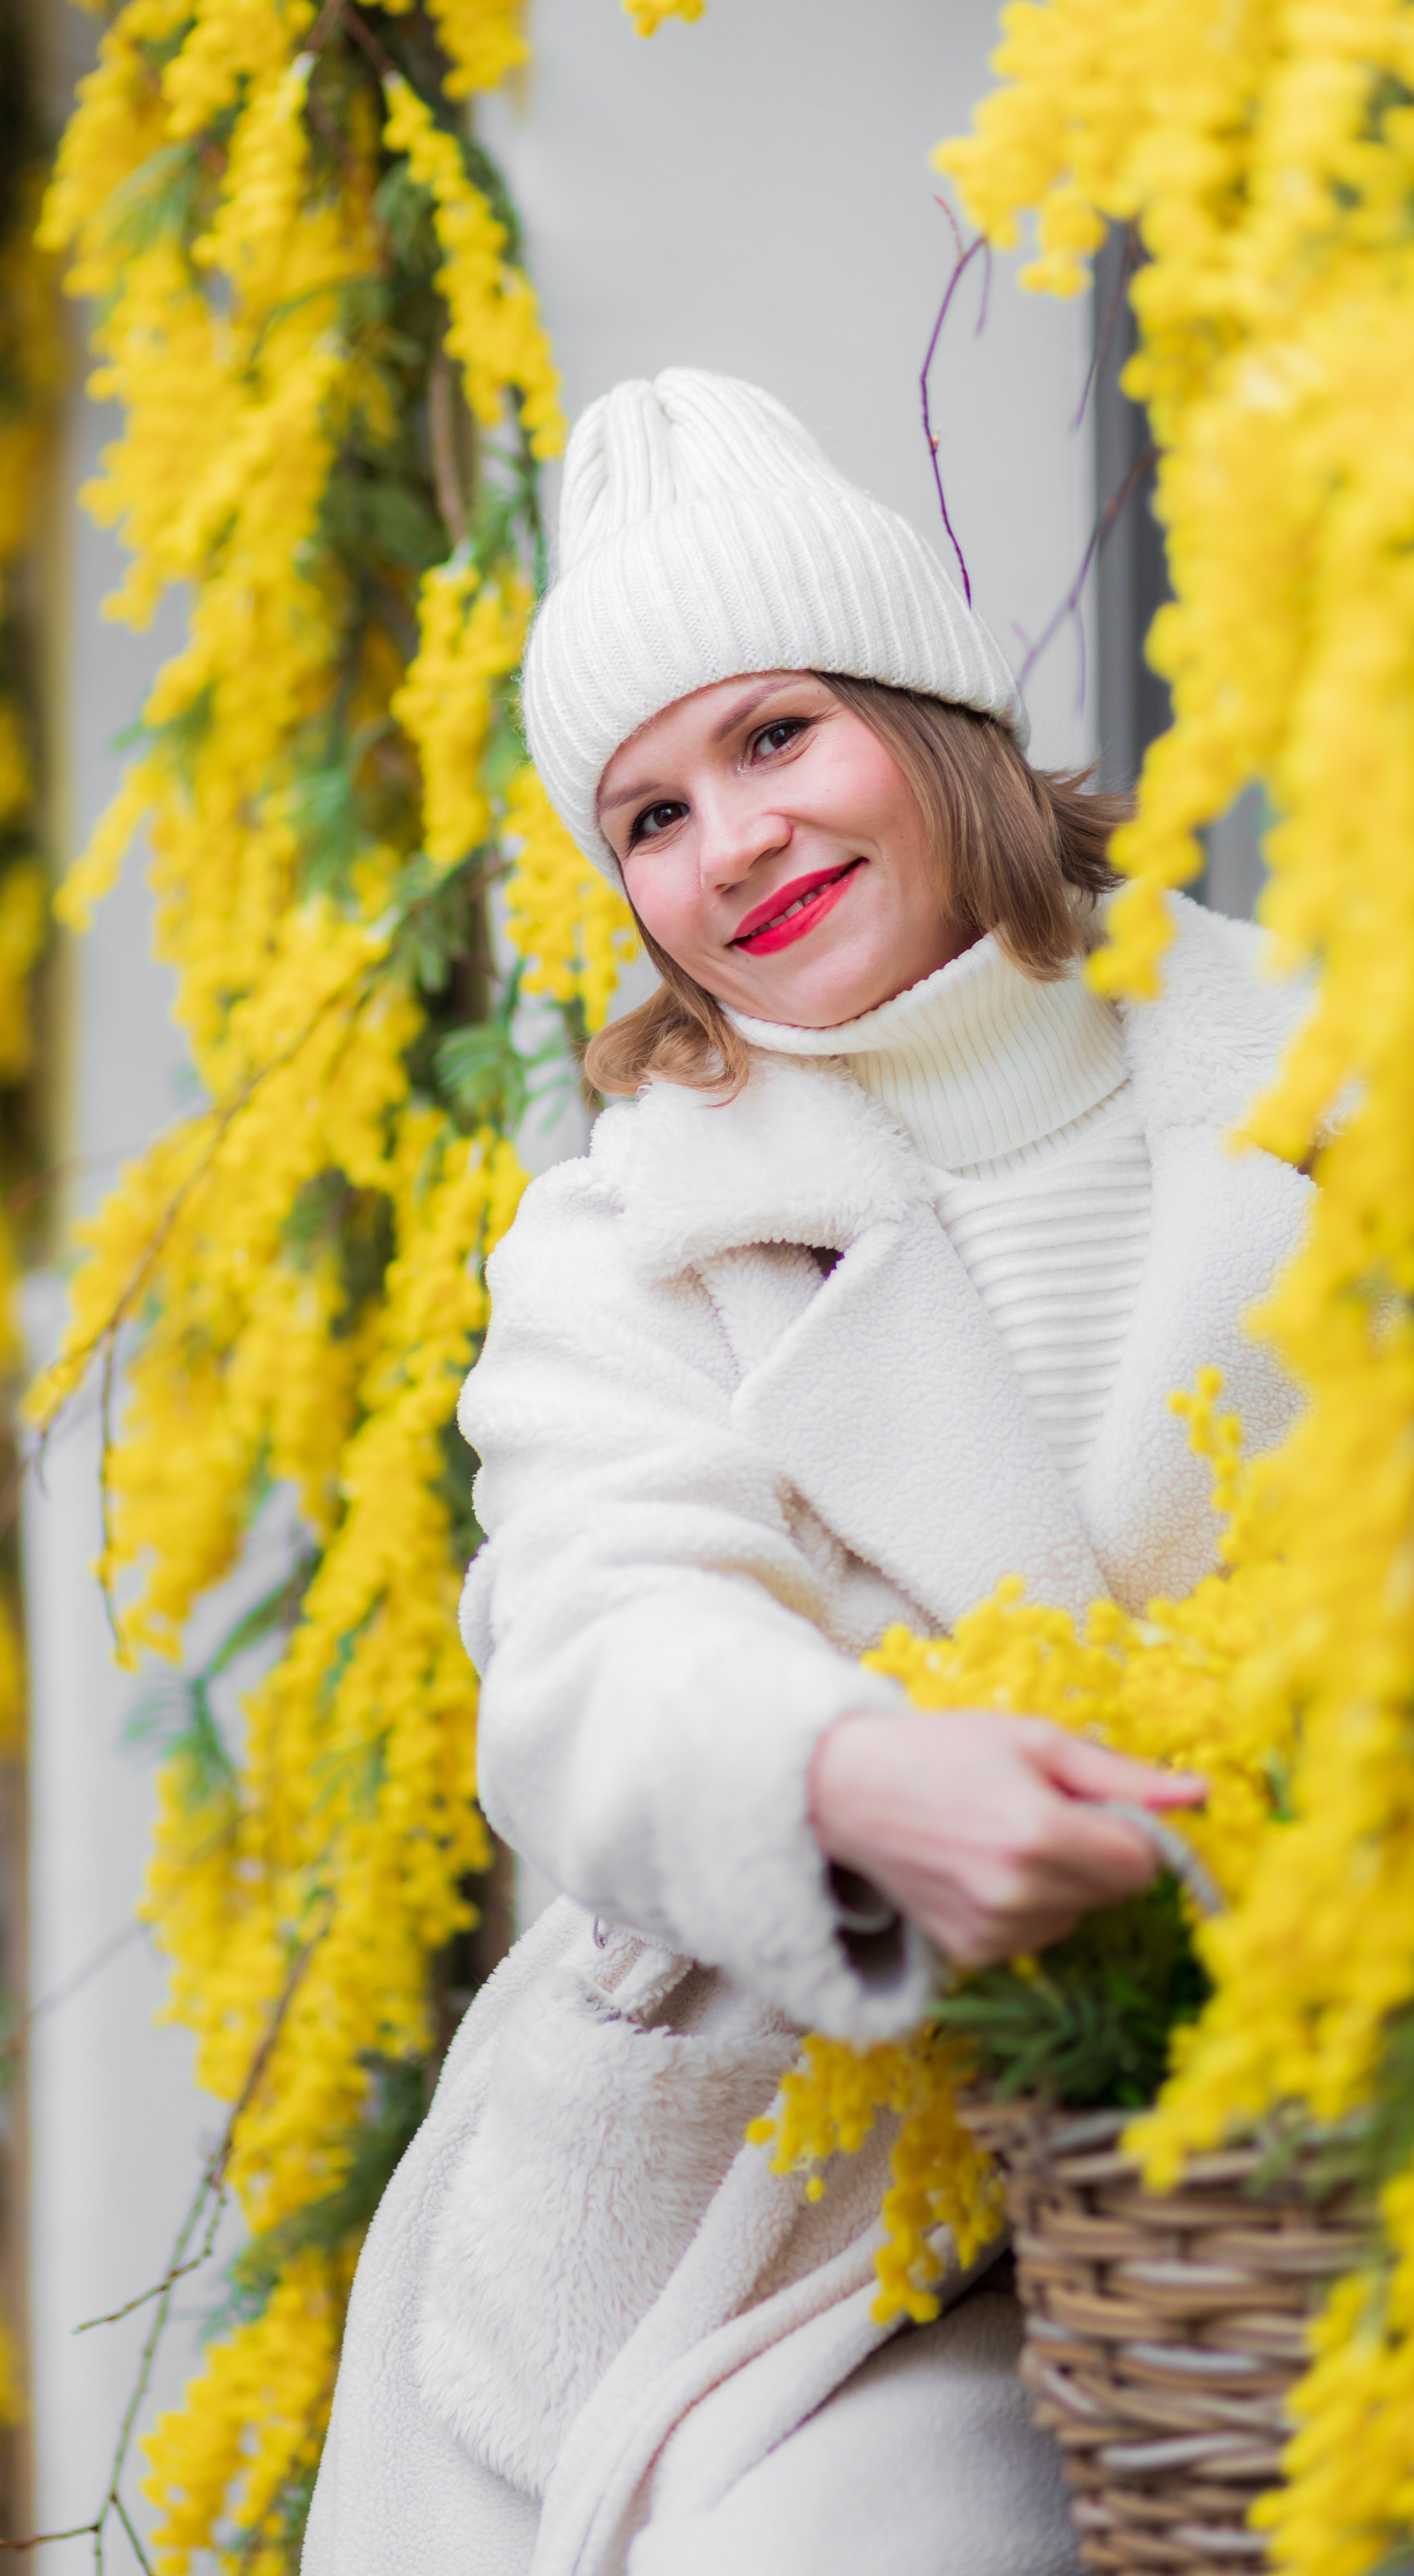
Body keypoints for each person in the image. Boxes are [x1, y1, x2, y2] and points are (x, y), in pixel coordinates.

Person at [303, 370, 1311, 2576]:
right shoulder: (633, 1228)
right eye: (650, 815)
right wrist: (849, 1780)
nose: (732, 843)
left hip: (1298, 2148)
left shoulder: (1337, 1081)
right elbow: (587, 1645)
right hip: (798, 2217)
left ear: (933, 717)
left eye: (777, 738)